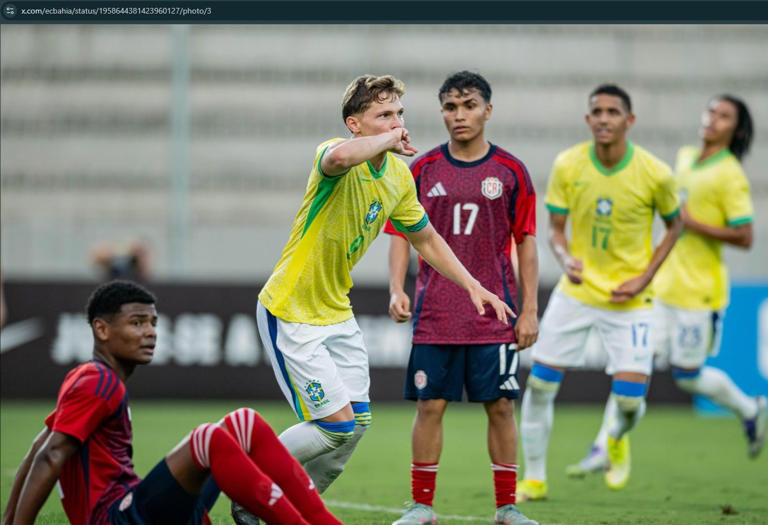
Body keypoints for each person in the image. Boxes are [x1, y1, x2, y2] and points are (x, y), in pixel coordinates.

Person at [245, 74, 514, 520]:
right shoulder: (333, 155)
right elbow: (342, 156)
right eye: (383, 115)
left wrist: (472, 284)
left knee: (356, 426)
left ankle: (283, 506)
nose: (396, 123)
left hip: (335, 311)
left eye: (399, 114)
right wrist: (387, 140)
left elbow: (426, 240)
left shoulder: (396, 176)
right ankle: (248, 479)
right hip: (290, 308)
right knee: (336, 425)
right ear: (355, 123)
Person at [1, 280, 341, 525]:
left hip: (137, 507)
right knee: (208, 440)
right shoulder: (97, 381)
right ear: (101, 329)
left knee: (243, 423)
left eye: (152, 323)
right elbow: (49, 455)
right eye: (137, 323)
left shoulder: (90, 378)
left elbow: (38, 446)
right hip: (116, 517)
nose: (150, 332)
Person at [566, 95, 766, 478]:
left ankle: (749, 409)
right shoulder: (687, 157)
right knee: (632, 363)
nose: (712, 119)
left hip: (699, 292)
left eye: (723, 116)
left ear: (735, 129)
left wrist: (692, 223)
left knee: (688, 376)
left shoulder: (730, 175)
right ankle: (603, 447)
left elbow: (744, 236)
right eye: (710, 111)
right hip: (660, 286)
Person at [385, 71, 538, 525]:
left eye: (469, 105)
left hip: (496, 314)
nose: (459, 115)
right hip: (435, 313)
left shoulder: (510, 171)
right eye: (450, 107)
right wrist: (397, 287)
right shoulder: (422, 169)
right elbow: (398, 232)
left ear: (487, 110)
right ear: (442, 113)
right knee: (430, 405)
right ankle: (421, 507)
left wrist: (529, 310)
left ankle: (507, 508)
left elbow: (526, 241)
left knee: (502, 406)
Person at [517, 84, 682, 500]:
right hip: (577, 294)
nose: (605, 118)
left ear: (629, 120)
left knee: (629, 402)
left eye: (613, 112)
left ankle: (616, 438)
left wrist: (644, 278)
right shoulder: (568, 165)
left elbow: (675, 225)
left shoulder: (655, 172)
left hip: (631, 301)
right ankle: (534, 478)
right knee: (539, 386)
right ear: (588, 120)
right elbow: (555, 231)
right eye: (597, 111)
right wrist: (565, 257)